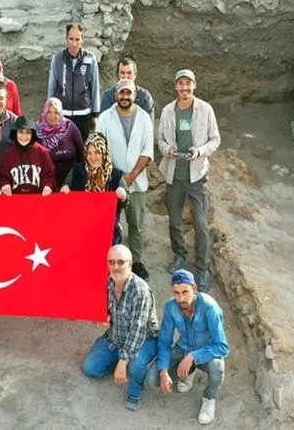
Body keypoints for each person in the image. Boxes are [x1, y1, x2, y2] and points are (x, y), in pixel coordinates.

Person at [157, 69, 221, 291]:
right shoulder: (167, 111)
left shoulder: (205, 110)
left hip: (197, 176)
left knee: (201, 224)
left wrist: (200, 151)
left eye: (188, 84)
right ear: (176, 87)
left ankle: (202, 268)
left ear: (194, 85)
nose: (184, 88)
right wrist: (168, 150)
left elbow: (215, 139)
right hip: (174, 174)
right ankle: (180, 255)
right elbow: (161, 140)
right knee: (174, 220)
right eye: (180, 84)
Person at [82, 245, 159, 412]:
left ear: (130, 265)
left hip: (143, 340)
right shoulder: (109, 282)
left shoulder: (140, 291)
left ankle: (135, 389)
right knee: (90, 368)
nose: (115, 266)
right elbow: (103, 307)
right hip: (116, 335)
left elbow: (138, 331)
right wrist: (104, 316)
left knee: (135, 367)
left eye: (121, 262)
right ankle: (121, 362)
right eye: (111, 262)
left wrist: (123, 363)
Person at [96, 79, 154, 279]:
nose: (125, 97)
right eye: (122, 93)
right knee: (112, 226)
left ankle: (136, 262)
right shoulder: (105, 118)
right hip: (111, 184)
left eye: (128, 93)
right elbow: (99, 150)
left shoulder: (145, 118)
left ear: (135, 95)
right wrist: (117, 179)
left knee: (136, 225)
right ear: (116, 95)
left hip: (136, 183)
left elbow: (147, 152)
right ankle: (112, 263)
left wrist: (128, 178)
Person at [158, 269, 229, 425]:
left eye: (185, 292)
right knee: (153, 379)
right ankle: (189, 371)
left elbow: (222, 347)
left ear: (195, 289)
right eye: (176, 293)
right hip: (183, 347)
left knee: (217, 367)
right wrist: (163, 371)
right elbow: (164, 342)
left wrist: (192, 356)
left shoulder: (210, 307)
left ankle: (209, 398)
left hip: (206, 351)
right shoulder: (171, 307)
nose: (181, 298)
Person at [63, 133, 126, 245]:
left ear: (104, 152)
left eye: (97, 152)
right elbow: (66, 187)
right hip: (81, 230)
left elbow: (127, 201)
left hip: (109, 231)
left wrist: (123, 194)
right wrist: (65, 188)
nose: (93, 157)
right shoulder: (77, 170)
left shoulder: (115, 174)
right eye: (89, 153)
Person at [47, 23, 101, 139]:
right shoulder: (57, 58)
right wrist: (49, 109)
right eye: (71, 39)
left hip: (84, 115)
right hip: (62, 115)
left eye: (77, 39)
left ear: (82, 40)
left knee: (83, 151)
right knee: (65, 150)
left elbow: (95, 87)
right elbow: (52, 86)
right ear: (66, 39)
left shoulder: (90, 59)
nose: (74, 43)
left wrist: (95, 114)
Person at [0, 116, 56, 196]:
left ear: (33, 134)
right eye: (21, 132)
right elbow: (2, 177)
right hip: (15, 200)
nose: (24, 136)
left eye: (28, 132)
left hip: (38, 200)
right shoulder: (8, 154)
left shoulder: (43, 153)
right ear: (15, 133)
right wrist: (5, 184)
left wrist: (48, 186)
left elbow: (50, 176)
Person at [36, 97, 86, 188]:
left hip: (71, 181)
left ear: (61, 113)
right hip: (47, 183)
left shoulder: (70, 126)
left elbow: (82, 152)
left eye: (56, 112)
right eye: (48, 112)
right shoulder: (37, 131)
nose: (52, 116)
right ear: (44, 113)